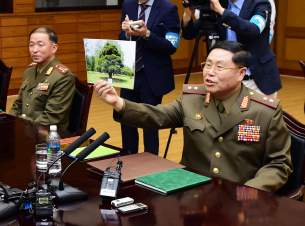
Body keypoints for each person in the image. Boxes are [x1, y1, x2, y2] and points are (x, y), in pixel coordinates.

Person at [94, 41, 292, 193]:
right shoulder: (192, 99)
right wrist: (118, 103)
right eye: (207, 65)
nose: (209, 73)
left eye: (219, 67)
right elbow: (158, 116)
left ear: (241, 73)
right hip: (192, 193)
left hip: (237, 199)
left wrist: (247, 194)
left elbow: (278, 164)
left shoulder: (265, 111)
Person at [182, 0, 281, 97]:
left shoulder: (261, 4)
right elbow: (189, 33)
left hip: (257, 81)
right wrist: (187, 12)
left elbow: (252, 30)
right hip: (227, 81)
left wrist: (221, 11)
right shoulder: (218, 5)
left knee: (260, 119)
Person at [119, 0, 181, 155]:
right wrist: (126, 33)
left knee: (149, 123)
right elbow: (122, 39)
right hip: (129, 72)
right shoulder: (128, 4)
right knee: (126, 118)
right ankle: (128, 160)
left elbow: (171, 46)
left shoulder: (169, 8)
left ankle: (150, 165)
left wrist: (147, 34)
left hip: (152, 75)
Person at [9, 27, 75, 130]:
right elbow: (18, 104)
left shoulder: (63, 76)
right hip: (26, 127)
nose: (35, 50)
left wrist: (22, 129)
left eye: (40, 45)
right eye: (31, 45)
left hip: (46, 133)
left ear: (54, 48)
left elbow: (51, 117)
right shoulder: (30, 70)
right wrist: (10, 122)